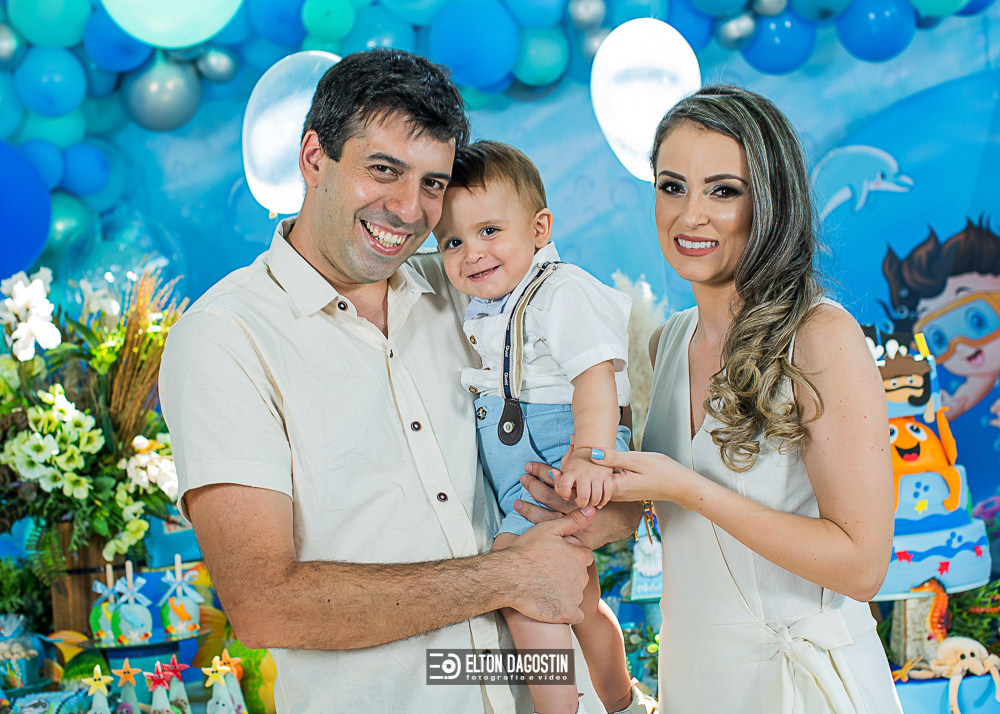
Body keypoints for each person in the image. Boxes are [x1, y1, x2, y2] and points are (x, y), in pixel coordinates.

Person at [158, 49, 641, 714]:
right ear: (314, 158)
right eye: (383, 170)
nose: (409, 209)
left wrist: (586, 511)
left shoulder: (475, 293)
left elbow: (623, 489)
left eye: (432, 183)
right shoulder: (225, 338)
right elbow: (264, 604)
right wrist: (509, 574)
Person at [532, 85, 904, 712]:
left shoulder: (819, 336)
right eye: (672, 187)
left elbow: (862, 566)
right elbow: (688, 532)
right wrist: (592, 506)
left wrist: (687, 488)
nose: (690, 215)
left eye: (723, 191)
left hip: (801, 687)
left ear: (771, 201)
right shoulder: (666, 342)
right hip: (696, 680)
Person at [433, 141, 653, 714]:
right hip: (529, 464)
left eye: (489, 231)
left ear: (539, 229)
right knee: (581, 604)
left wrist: (589, 454)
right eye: (452, 242)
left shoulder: (561, 290)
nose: (471, 253)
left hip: (564, 450)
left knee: (516, 577)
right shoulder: (490, 304)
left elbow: (595, 377)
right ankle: (623, 702)